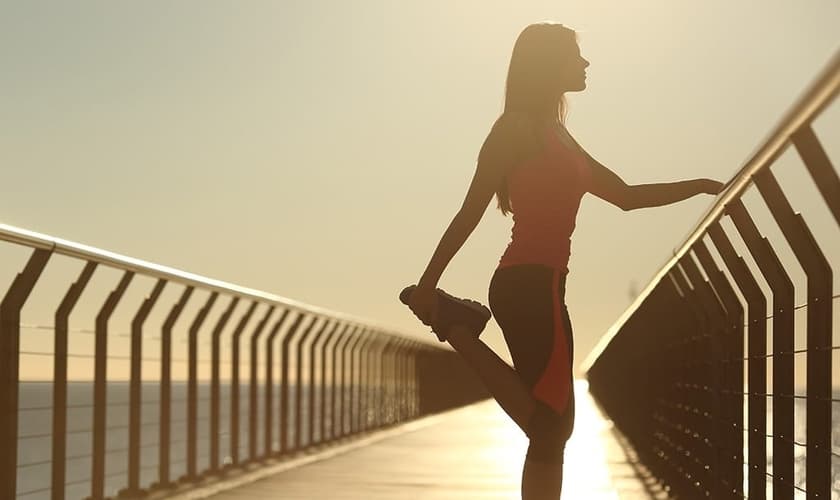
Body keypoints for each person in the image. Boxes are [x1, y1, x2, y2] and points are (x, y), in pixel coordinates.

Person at [406, 22, 724, 500]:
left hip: (546, 285)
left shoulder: (559, 135)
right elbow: (470, 210)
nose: (586, 64)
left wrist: (697, 186)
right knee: (550, 430)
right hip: (526, 285)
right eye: (576, 55)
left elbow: (626, 196)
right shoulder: (514, 129)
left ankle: (459, 325)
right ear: (547, 64)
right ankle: (458, 329)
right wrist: (427, 286)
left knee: (552, 435)